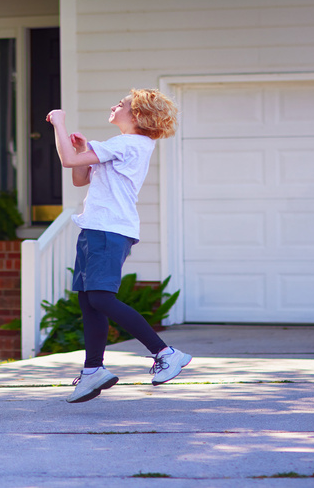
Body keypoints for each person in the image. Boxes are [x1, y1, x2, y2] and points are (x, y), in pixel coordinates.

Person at [46, 88, 191, 403]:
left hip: (108, 231)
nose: (115, 105)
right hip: (97, 228)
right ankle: (93, 371)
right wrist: (84, 148)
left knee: (100, 298)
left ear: (137, 115)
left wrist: (59, 122)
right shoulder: (128, 146)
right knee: (89, 301)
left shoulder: (128, 143)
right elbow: (79, 176)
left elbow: (67, 160)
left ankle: (166, 353)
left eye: (122, 104)